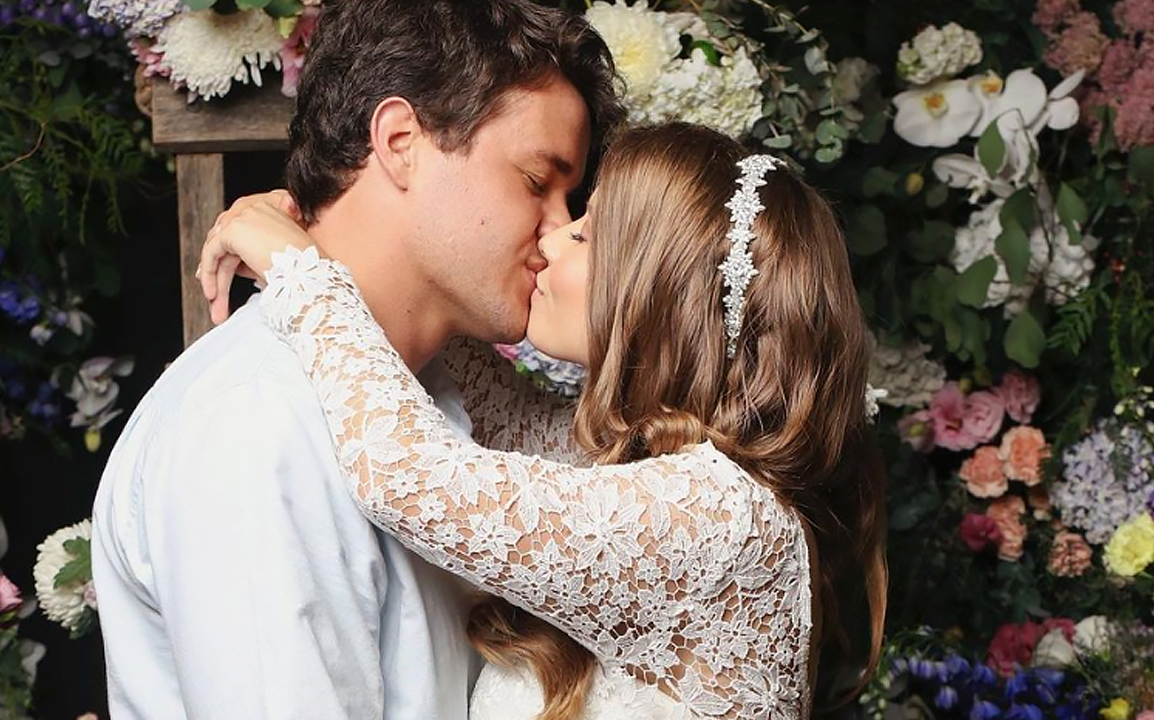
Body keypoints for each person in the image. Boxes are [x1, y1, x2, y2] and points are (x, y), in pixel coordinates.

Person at [199, 122, 889, 720]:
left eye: (587, 232)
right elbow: (484, 393)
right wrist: (341, 244)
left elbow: (409, 476)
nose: (555, 239)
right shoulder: (638, 461)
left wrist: (301, 269)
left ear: (660, 295)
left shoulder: (722, 517)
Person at [90, 0, 622, 717]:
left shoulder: (430, 392)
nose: (558, 232)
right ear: (401, 142)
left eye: (570, 198)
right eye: (536, 182)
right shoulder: (261, 419)